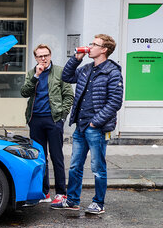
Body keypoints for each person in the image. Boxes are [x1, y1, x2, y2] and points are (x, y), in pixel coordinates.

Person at [51, 34, 124, 215]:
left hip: (96, 128)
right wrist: (75, 60)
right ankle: (73, 201)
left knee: (98, 168)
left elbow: (115, 102)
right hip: (81, 126)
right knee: (75, 165)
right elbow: (67, 77)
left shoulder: (113, 72)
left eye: (94, 44)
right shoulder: (86, 69)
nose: (89, 47)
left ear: (104, 50)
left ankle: (98, 203)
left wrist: (95, 123)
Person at [21, 44, 73, 205]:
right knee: (40, 158)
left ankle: (61, 193)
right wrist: (36, 76)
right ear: (35, 58)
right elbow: (24, 92)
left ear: (50, 55)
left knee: (57, 157)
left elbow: (69, 96)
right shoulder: (32, 73)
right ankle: (44, 193)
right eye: (40, 56)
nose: (43, 58)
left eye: (46, 55)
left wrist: (61, 117)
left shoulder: (60, 71)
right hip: (35, 120)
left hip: (53, 120)